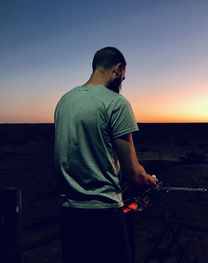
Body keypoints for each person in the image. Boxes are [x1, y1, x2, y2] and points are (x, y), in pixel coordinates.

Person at [54, 46, 158, 263]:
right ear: (117, 69)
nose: (122, 82)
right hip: (104, 214)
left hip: (69, 213)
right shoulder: (116, 103)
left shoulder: (64, 101)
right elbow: (133, 173)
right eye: (123, 77)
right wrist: (150, 180)